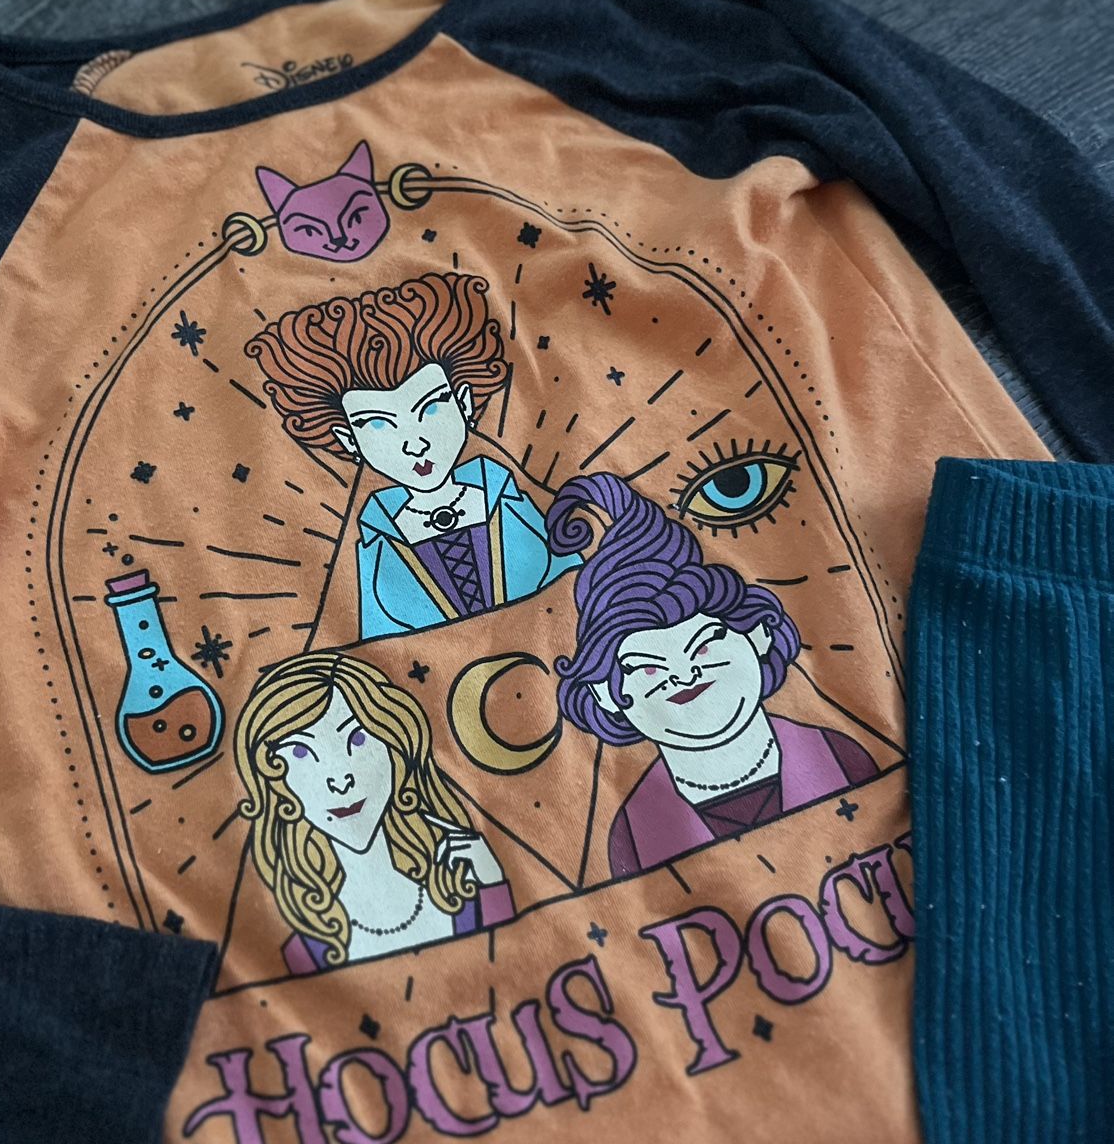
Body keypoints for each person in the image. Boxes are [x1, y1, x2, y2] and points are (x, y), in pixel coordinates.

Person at [548, 473, 878, 877]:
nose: (684, 675)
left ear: (758, 634)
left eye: (704, 645)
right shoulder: (633, 836)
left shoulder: (842, 759)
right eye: (648, 667)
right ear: (604, 693)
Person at [246, 271, 581, 639]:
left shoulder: (507, 497)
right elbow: (377, 643)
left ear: (464, 404)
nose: (414, 443)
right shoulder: (378, 542)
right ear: (349, 441)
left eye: (431, 407)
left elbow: (577, 585)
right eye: (377, 424)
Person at [233, 652, 513, 974]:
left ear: (394, 746)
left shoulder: (463, 890)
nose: (340, 779)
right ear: (273, 780)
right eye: (300, 752)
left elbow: (513, 965)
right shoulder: (306, 951)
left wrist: (493, 887)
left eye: (358, 737)